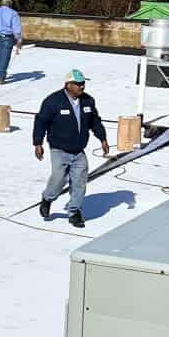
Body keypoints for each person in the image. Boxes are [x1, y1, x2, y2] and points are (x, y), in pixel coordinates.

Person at [33, 69, 111, 229]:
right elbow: (41, 121)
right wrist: (38, 143)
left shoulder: (88, 101)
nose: (82, 87)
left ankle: (74, 211)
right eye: (78, 84)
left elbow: (95, 122)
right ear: (68, 84)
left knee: (80, 182)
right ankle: (47, 199)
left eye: (83, 83)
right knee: (58, 179)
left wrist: (102, 138)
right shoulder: (53, 101)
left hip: (78, 150)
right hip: (59, 149)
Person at [0, 0, 23, 84]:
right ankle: (1, 77)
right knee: (5, 57)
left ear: (1, 4)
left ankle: (0, 73)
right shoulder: (13, 13)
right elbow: (16, 28)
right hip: (7, 38)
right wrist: (19, 39)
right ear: (10, 5)